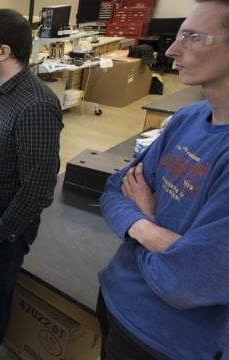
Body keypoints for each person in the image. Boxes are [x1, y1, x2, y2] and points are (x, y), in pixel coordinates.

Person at [97, 1, 229, 358]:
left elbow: (188, 280)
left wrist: (142, 221)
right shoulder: (188, 119)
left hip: (167, 341)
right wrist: (156, 233)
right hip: (115, 298)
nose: (171, 49)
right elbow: (113, 191)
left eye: (192, 37)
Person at [0, 9, 63, 359]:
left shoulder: (36, 105)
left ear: (3, 51)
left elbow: (38, 187)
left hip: (4, 223)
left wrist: (1, 232)